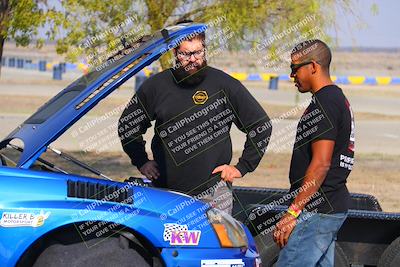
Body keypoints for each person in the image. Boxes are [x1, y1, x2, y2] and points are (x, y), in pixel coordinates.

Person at [118, 23, 272, 215]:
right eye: (185, 54)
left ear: (205, 49)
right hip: (165, 193)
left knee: (215, 245)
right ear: (175, 53)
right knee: (171, 244)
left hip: (213, 193)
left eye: (198, 53)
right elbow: (128, 124)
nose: (193, 60)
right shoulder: (157, 85)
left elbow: (261, 125)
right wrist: (141, 160)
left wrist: (243, 167)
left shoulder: (224, 84)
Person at [273, 39, 355, 266]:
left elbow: (321, 164)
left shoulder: (326, 103)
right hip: (329, 206)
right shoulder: (334, 99)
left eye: (294, 68)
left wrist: (293, 212)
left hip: (317, 209)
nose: (292, 75)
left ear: (314, 66)